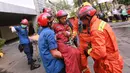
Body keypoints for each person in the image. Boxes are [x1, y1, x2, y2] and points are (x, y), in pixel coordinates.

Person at [78, 5, 123, 73]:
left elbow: (100, 53)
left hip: (107, 66)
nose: (83, 23)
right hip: (115, 61)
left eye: (82, 20)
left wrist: (88, 51)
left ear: (87, 17)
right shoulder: (100, 23)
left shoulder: (95, 29)